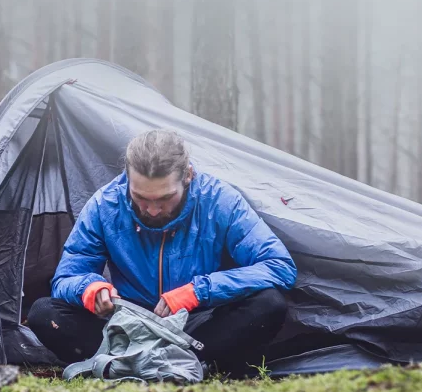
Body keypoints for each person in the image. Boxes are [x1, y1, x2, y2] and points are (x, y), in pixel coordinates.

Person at [27, 129, 297, 375]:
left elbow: (279, 266)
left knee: (269, 305)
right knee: (43, 313)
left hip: (195, 327)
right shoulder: (104, 205)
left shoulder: (220, 201)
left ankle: (162, 365)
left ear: (188, 176)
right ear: (127, 179)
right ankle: (155, 364)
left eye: (165, 198)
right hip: (124, 327)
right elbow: (66, 279)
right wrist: (91, 289)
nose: (152, 210)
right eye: (141, 198)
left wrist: (198, 291)